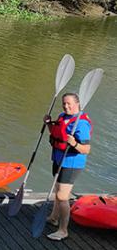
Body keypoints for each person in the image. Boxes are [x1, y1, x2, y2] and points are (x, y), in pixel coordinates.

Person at [44, 92, 92, 241]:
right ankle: (54, 218)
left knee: (62, 196)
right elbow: (56, 133)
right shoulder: (62, 116)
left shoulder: (81, 123)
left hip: (72, 163)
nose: (66, 106)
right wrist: (48, 124)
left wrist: (74, 143)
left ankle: (63, 230)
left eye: (69, 103)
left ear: (77, 104)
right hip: (59, 159)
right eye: (64, 103)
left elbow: (86, 149)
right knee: (58, 191)